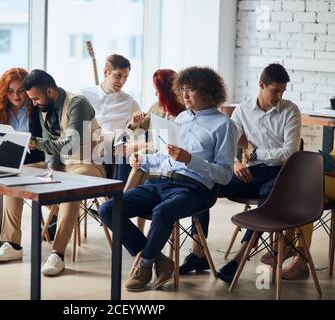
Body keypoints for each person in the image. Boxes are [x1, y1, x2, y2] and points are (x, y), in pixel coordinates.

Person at [99, 66, 237, 292]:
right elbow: (166, 157)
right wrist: (143, 160)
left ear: (209, 91)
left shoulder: (224, 125)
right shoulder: (181, 118)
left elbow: (225, 174)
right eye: (183, 89)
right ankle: (159, 260)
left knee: (162, 212)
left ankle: (144, 265)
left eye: (191, 90)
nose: (184, 95)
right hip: (163, 181)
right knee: (108, 209)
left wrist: (191, 160)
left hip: (196, 190)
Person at [179, 63, 302, 283]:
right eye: (275, 91)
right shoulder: (243, 110)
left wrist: (255, 153)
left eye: (282, 92)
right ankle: (198, 253)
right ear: (261, 85)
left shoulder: (290, 111)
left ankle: (238, 260)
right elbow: (229, 145)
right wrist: (235, 162)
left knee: (267, 204)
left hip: (279, 175)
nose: (279, 96)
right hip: (249, 173)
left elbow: (289, 153)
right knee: (203, 183)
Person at [0, 70, 105, 277]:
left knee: (72, 187)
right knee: (14, 175)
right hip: (62, 164)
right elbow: (49, 149)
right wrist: (51, 170)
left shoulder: (77, 103)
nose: (32, 103)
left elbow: (71, 145)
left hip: (86, 162)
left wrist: (35, 143)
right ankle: (12, 244)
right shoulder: (45, 106)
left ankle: (58, 254)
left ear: (50, 91)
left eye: (34, 98)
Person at [0, 67, 45, 253]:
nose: (16, 96)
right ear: (4, 92)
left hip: (32, 162)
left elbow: (46, 140)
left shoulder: (37, 108)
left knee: (6, 183)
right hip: (3, 160)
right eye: (11, 91)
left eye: (20, 91)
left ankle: (0, 238)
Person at [265, 135, 335, 280]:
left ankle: (288, 243)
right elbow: (334, 157)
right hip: (333, 182)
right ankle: (299, 257)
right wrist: (324, 163)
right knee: (305, 196)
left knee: (308, 185)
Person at [124, 69, 185, 231]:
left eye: (158, 91)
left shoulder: (183, 112)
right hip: (154, 158)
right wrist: (135, 122)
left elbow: (173, 145)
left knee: (140, 160)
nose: (155, 93)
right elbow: (138, 129)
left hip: (172, 160)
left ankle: (120, 206)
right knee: (139, 162)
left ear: (166, 91)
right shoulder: (156, 107)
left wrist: (140, 148)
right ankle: (123, 209)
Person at [80, 54, 140, 181]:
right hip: (83, 146)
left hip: (112, 153)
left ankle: (116, 194)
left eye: (126, 77)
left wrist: (134, 125)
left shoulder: (131, 103)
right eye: (118, 75)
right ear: (106, 72)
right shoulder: (84, 95)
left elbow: (135, 134)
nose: (122, 81)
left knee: (120, 139)